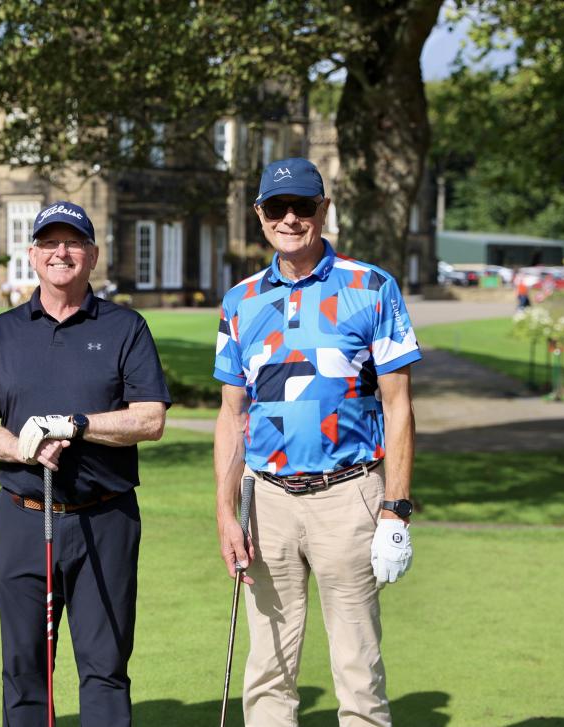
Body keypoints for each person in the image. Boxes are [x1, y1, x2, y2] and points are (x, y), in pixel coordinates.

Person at [213, 158, 421, 727]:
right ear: (259, 215)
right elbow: (233, 417)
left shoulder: (371, 286)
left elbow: (398, 405)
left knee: (358, 670)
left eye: (302, 206)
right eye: (276, 208)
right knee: (268, 672)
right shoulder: (241, 301)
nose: (289, 218)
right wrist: (226, 514)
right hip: (268, 502)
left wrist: (395, 509)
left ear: (323, 211)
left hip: (348, 496)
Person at [0, 200, 170, 726]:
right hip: (21, 516)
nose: (62, 252)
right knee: (24, 668)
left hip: (105, 518)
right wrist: (20, 447)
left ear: (93, 255)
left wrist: (74, 424)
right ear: (32, 256)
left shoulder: (126, 327)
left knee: (104, 666)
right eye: (50, 243)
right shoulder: (5, 332)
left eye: (73, 242)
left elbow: (149, 419)